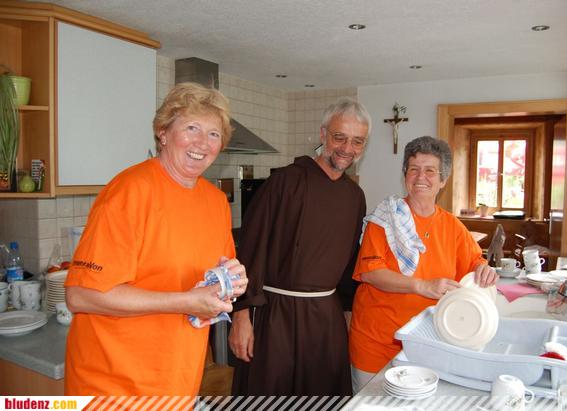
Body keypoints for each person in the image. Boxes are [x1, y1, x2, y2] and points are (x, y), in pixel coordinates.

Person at [64, 83, 248, 395]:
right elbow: (81, 295)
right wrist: (185, 302)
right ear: (163, 133)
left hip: (177, 379)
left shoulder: (216, 201)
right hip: (114, 386)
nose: (202, 143)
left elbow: (206, 276)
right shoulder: (130, 191)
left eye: (213, 134)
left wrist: (230, 283)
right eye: (191, 128)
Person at [228, 97, 371, 395]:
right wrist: (240, 316)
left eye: (357, 141)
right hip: (274, 316)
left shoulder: (355, 196)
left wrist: (347, 316)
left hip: (326, 319)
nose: (347, 148)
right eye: (339, 137)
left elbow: (349, 265)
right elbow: (251, 250)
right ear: (323, 134)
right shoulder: (284, 182)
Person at [348, 136, 498, 393]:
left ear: (443, 180)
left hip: (428, 345)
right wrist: (422, 286)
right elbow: (371, 273)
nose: (420, 177)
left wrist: (483, 270)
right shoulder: (384, 219)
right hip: (377, 344)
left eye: (430, 171)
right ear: (405, 174)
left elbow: (474, 263)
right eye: (414, 169)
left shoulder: (452, 227)